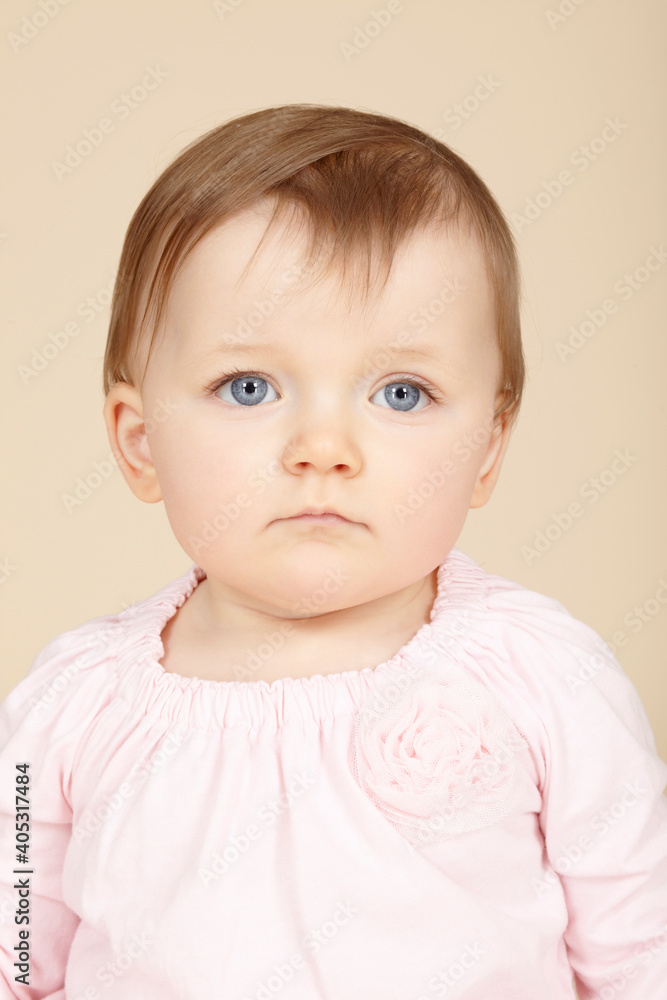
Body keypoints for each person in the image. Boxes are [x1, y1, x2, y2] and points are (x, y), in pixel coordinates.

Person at [1, 104, 665, 1000]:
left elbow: (643, 956)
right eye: (248, 386)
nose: (323, 446)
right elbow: (14, 961)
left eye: (400, 392)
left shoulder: (541, 677)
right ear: (139, 439)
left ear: (489, 447)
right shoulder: (68, 716)